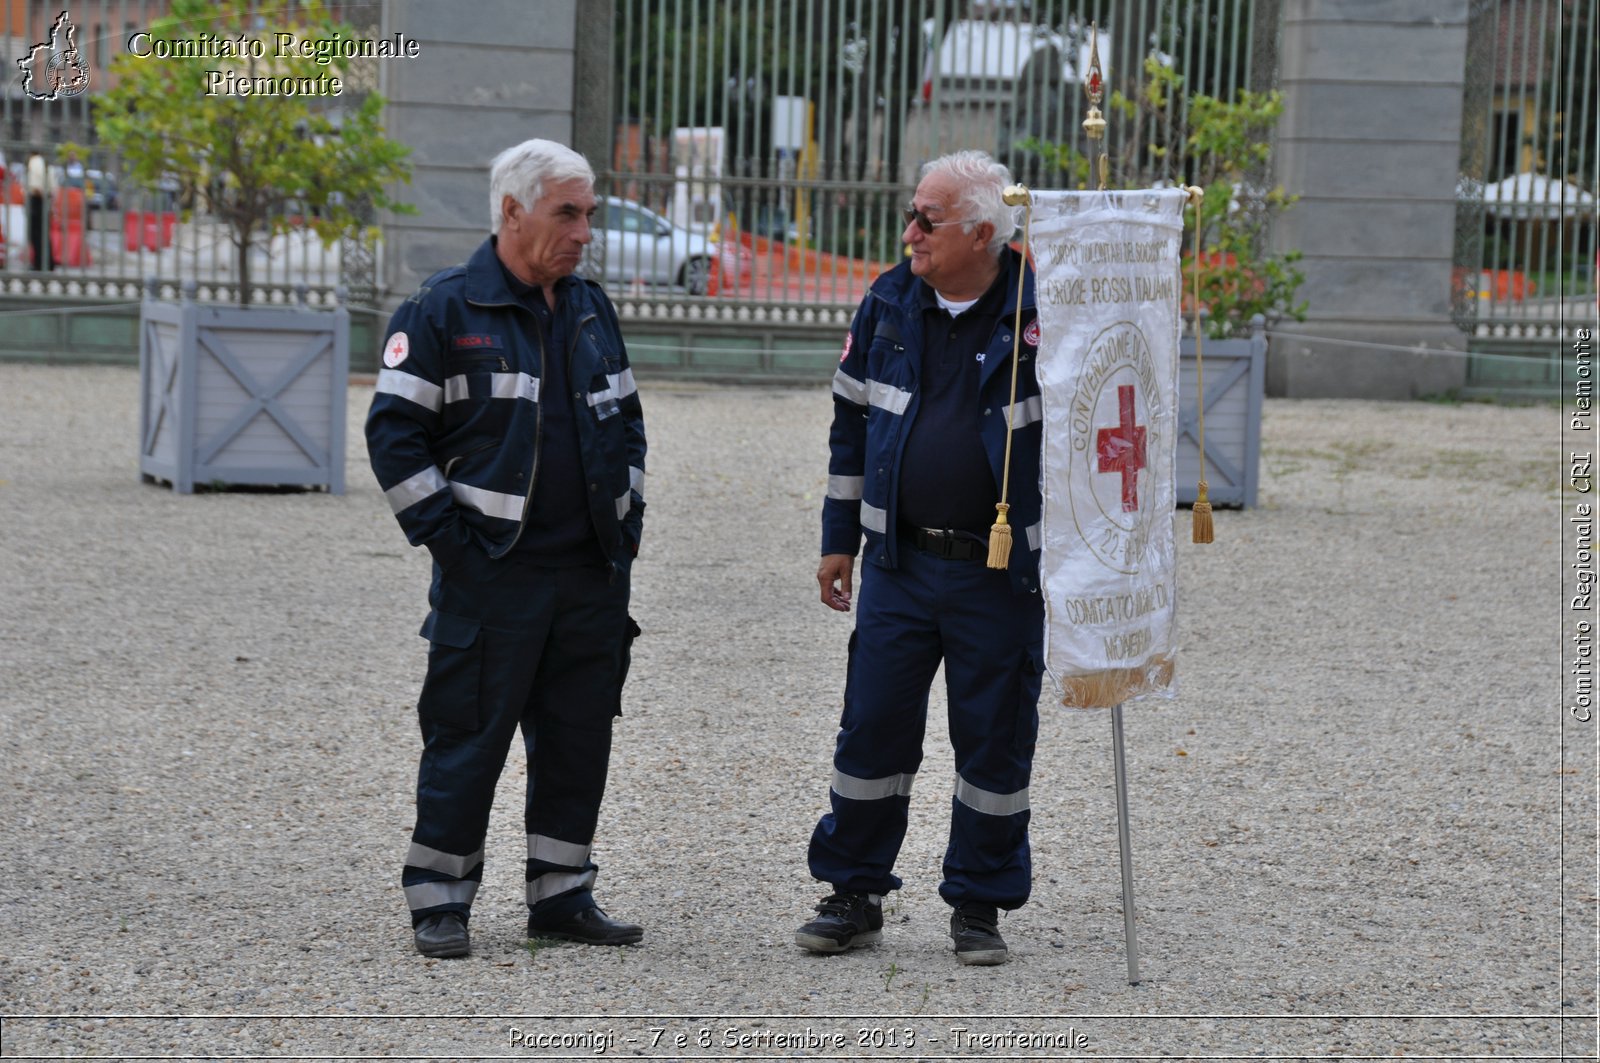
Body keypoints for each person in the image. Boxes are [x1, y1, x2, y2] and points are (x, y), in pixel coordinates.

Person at [366, 139, 647, 959]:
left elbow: (627, 421)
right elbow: (393, 438)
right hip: (492, 575)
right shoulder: (443, 310)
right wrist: (453, 546)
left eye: (589, 213)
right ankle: (441, 897)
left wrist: (625, 523)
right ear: (513, 212)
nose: (584, 231)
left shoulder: (592, 307)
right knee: (467, 738)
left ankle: (561, 893)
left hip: (589, 575)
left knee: (577, 739)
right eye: (568, 213)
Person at [799, 150, 1044, 966]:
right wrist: (839, 537)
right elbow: (849, 424)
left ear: (982, 232)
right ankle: (852, 891)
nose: (909, 233)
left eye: (925, 221)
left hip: (998, 571)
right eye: (911, 215)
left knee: (993, 744)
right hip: (899, 566)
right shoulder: (889, 298)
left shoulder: (1041, 309)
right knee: (871, 729)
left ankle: (980, 902)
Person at [25, 149, 49, 271]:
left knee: (36, 234)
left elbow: (36, 187)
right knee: (43, 232)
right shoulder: (43, 162)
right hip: (43, 199)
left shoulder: (34, 162)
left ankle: (39, 263)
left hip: (36, 200)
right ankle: (48, 262)